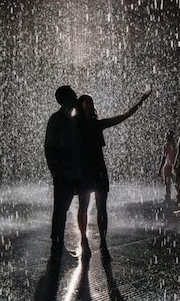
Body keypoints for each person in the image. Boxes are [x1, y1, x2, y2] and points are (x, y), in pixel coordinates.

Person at [76, 91, 151, 261]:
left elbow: (124, 116)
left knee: (101, 207)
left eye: (88, 103)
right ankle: (84, 240)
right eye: (84, 103)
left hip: (96, 170)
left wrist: (140, 102)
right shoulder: (76, 126)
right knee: (84, 206)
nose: (86, 106)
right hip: (86, 171)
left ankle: (102, 241)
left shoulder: (93, 125)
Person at [44, 85, 83, 262]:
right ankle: (57, 249)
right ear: (65, 99)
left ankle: (57, 248)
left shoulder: (71, 118)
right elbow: (50, 148)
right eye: (73, 94)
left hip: (71, 173)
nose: (76, 96)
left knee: (62, 210)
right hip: (63, 174)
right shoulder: (58, 120)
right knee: (60, 210)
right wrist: (57, 171)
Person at [158, 130, 177, 204]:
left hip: (169, 165)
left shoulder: (167, 145)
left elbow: (164, 157)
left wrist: (160, 168)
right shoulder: (175, 145)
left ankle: (168, 198)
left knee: (168, 182)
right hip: (173, 165)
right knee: (174, 182)